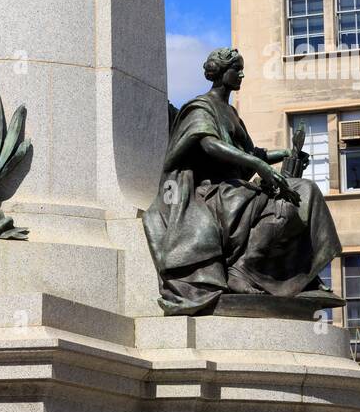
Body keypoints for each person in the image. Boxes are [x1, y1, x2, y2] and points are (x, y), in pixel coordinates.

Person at [143, 47, 341, 315]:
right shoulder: (201, 107)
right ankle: (240, 271)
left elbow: (250, 152)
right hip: (212, 190)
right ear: (221, 72)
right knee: (280, 201)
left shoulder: (231, 112)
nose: (242, 74)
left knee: (306, 191)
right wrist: (259, 165)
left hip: (235, 187)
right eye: (237, 69)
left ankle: (293, 273)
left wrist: (283, 154)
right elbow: (210, 144)